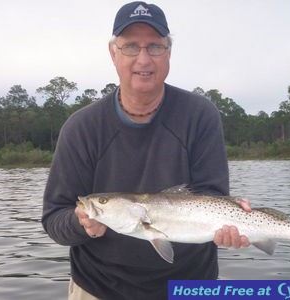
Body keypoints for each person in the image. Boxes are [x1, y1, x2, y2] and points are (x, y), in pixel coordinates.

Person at [42, 2, 250, 299]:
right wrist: (81, 223)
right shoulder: (81, 128)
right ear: (113, 53)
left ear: (169, 53)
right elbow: (53, 219)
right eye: (130, 47)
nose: (143, 59)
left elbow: (212, 196)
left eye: (155, 47)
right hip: (99, 288)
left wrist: (231, 219)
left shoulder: (200, 115)